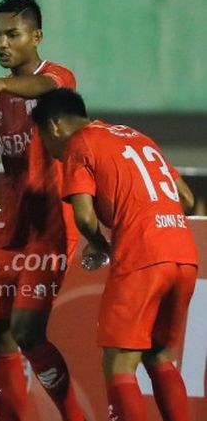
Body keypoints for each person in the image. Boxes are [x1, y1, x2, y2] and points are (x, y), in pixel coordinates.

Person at [31, 88, 198, 421]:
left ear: (55, 126)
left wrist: (100, 244)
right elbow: (188, 200)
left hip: (142, 256)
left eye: (43, 140)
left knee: (119, 363)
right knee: (160, 356)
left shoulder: (80, 143)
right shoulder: (137, 136)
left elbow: (84, 216)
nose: (50, 152)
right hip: (183, 253)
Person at [0, 0, 84, 421]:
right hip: (10, 231)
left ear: (37, 36)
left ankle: (73, 416)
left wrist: (0, 83)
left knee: (28, 332)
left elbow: (50, 89)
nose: (2, 44)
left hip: (50, 226)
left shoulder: (55, 78)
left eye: (12, 34)